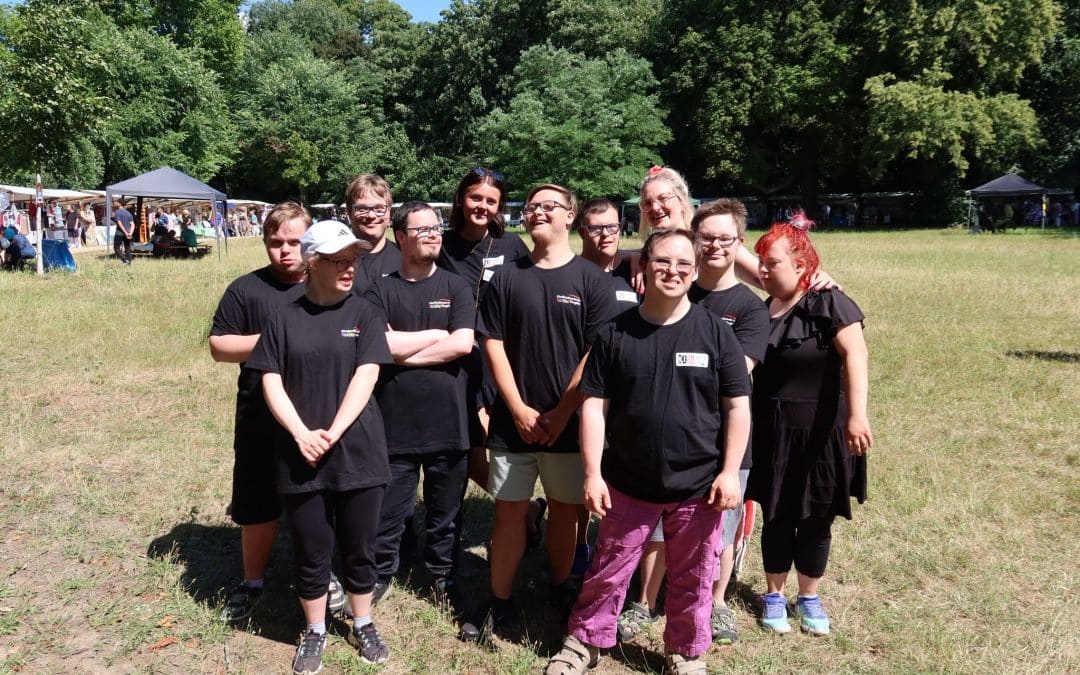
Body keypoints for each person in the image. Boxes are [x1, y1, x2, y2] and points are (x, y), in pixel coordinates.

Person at [544, 229, 751, 675]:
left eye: (683, 264)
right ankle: (586, 642)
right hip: (627, 481)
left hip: (698, 486)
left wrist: (729, 471)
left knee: (694, 574)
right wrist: (593, 473)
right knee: (609, 568)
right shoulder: (614, 333)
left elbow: (737, 407)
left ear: (694, 271)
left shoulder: (716, 334)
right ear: (644, 266)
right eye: (662, 261)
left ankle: (686, 651)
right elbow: (594, 408)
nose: (673, 271)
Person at [460, 184, 617, 641]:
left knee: (566, 512)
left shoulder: (592, 281)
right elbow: (492, 343)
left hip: (569, 423)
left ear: (571, 216)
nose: (539, 212)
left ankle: (559, 587)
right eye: (532, 207)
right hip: (514, 424)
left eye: (550, 206)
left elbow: (595, 352)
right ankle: (500, 599)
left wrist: (563, 411)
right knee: (508, 512)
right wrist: (516, 408)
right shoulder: (506, 277)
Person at [246, 219, 393, 672]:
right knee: (311, 548)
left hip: (358, 450)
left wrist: (333, 429)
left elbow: (367, 374)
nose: (349, 268)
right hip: (301, 454)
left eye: (353, 260)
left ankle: (363, 621)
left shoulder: (366, 313)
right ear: (312, 263)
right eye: (338, 261)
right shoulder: (283, 316)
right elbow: (270, 378)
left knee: (359, 546)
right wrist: (300, 433)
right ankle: (315, 630)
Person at [210, 203, 352, 627]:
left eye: (294, 242)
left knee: (318, 502)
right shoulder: (246, 289)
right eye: (276, 242)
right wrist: (279, 337)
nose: (285, 250)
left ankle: (325, 574)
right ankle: (252, 581)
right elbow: (220, 346)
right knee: (256, 502)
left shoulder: (330, 285)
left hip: (319, 416)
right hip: (259, 414)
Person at [747, 212, 872, 636]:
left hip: (823, 430)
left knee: (817, 514)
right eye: (761, 262)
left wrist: (857, 415)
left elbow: (856, 354)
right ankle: (773, 595)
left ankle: (809, 596)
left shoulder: (829, 301)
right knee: (776, 512)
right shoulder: (762, 310)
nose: (763, 270)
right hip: (772, 430)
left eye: (772, 263)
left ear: (801, 265)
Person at [365, 201, 475, 610]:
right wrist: (435, 335)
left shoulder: (455, 286)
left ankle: (443, 575)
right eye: (422, 229)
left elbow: (462, 343)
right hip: (394, 423)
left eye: (436, 228)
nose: (433, 234)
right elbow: (380, 343)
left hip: (449, 421)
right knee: (388, 512)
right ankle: (381, 572)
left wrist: (403, 354)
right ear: (401, 237)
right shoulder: (379, 290)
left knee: (446, 512)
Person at [435, 167, 543, 546]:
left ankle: (519, 509)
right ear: (461, 199)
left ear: (499, 207)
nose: (482, 206)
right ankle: (527, 509)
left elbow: (540, 280)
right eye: (475, 197)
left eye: (491, 201)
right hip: (454, 361)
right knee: (465, 450)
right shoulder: (441, 245)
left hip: (499, 359)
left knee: (498, 447)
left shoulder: (511, 246)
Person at [688, 199, 770, 645]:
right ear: (694, 240)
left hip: (726, 437)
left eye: (725, 238)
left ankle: (717, 601)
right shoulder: (675, 289)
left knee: (721, 526)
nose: (715, 245)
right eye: (707, 237)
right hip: (674, 432)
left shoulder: (750, 308)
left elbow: (736, 373)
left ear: (740, 243)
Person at [345, 174, 402, 292]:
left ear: (389, 213)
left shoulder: (405, 260)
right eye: (362, 208)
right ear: (349, 213)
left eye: (379, 209)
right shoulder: (333, 262)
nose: (371, 215)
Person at [112, 200, 134, 265]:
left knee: (116, 248)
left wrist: (125, 232)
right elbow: (132, 224)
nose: (115, 203)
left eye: (116, 202)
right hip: (128, 233)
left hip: (119, 233)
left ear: (120, 204)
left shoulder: (117, 212)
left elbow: (119, 223)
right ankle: (129, 263)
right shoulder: (128, 213)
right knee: (127, 247)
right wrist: (130, 233)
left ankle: (125, 260)